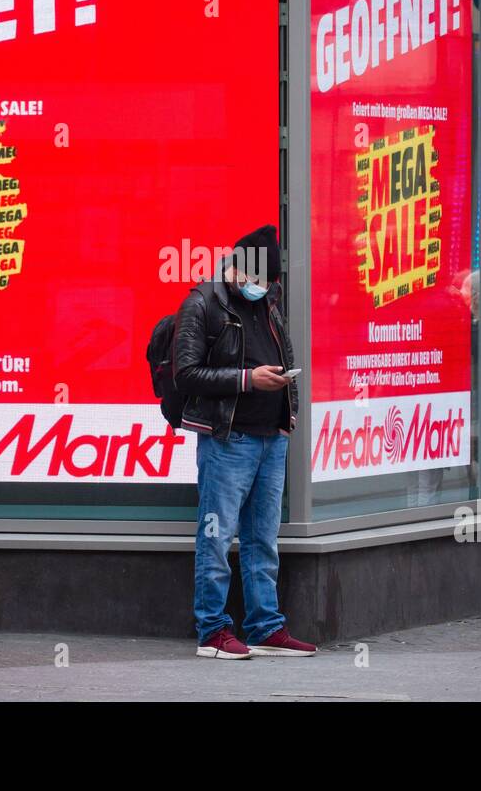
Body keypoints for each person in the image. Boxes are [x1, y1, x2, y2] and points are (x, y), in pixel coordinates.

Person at [173, 224, 317, 659]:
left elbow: (285, 355)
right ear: (234, 266)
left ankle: (265, 627)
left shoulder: (269, 304)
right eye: (252, 277)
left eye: (266, 280)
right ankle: (212, 632)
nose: (258, 287)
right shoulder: (203, 303)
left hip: (271, 438)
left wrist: (285, 413)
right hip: (228, 439)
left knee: (262, 537)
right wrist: (247, 380)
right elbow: (186, 373)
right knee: (216, 535)